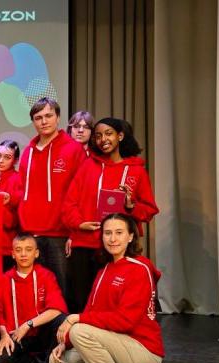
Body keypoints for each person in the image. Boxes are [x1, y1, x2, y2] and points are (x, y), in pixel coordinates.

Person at [50, 213, 163, 363]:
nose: (112, 239)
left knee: (80, 330)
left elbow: (125, 321)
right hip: (116, 343)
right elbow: (92, 312)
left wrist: (75, 319)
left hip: (143, 350)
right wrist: (66, 342)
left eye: (119, 233)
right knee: (57, 362)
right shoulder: (105, 270)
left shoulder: (140, 268)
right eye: (107, 233)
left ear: (131, 236)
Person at [62, 117, 159, 313]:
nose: (103, 140)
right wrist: (79, 224)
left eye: (108, 134)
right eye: (98, 136)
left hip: (117, 249)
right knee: (81, 302)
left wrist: (131, 206)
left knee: (112, 303)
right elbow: (68, 204)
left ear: (120, 136)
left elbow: (149, 210)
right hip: (85, 245)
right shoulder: (87, 166)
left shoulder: (136, 171)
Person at [18, 97, 86, 297]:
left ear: (58, 117)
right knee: (35, 293)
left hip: (60, 234)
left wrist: (75, 233)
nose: (44, 121)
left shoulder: (73, 149)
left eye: (48, 116)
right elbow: (23, 190)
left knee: (61, 291)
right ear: (33, 122)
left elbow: (82, 193)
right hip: (31, 234)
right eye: (38, 118)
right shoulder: (28, 152)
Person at [0, 234, 68, 363]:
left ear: (36, 253)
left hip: (41, 333)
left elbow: (57, 308)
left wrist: (28, 324)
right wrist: (4, 335)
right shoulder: (4, 279)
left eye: (28, 249)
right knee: (1, 359)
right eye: (18, 250)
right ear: (12, 254)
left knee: (62, 319)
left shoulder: (46, 276)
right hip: (17, 336)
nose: (23, 254)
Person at [64, 110, 95, 312]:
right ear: (70, 129)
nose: (81, 130)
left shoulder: (96, 158)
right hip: (67, 225)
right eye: (76, 126)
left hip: (89, 228)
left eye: (86, 127)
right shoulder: (64, 154)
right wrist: (71, 232)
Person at [0, 140, 22, 272]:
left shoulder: (17, 179)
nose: (0, 160)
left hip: (8, 246)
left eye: (7, 157)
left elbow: (12, 222)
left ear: (15, 160)